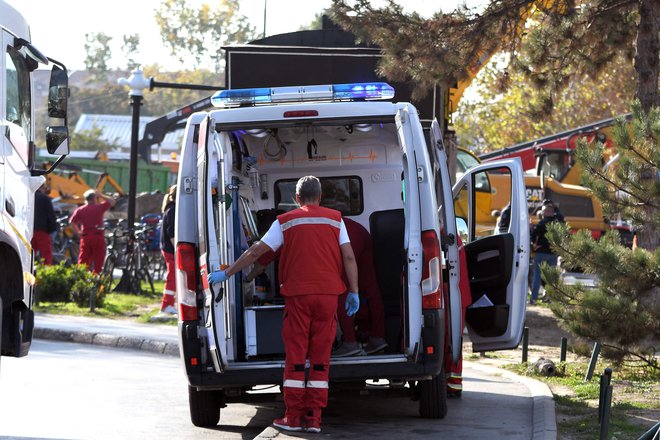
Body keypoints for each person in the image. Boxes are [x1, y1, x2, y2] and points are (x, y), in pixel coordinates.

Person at [207, 176, 359, 434]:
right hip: (328, 297)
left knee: (297, 357)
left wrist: (228, 273)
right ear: (320, 197)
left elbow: (257, 252)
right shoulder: (336, 219)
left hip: (299, 297)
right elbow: (348, 256)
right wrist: (354, 291)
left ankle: (293, 416)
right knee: (321, 357)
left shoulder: (286, 222)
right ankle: (313, 419)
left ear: (297, 198)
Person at [332, 217, 387, 357]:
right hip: (361, 232)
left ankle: (350, 342)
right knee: (371, 288)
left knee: (341, 289)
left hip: (347, 236)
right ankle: (378, 337)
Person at [69, 189, 115, 274]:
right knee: (98, 260)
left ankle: (81, 278)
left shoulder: (80, 210)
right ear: (94, 198)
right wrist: (101, 195)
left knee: (83, 260)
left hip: (85, 237)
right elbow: (112, 202)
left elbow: (72, 222)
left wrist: (78, 232)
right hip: (98, 236)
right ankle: (96, 279)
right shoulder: (99, 207)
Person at [529, 201, 564, 304]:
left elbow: (533, 235)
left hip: (541, 253)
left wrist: (532, 230)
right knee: (551, 277)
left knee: (537, 276)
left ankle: (534, 299)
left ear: (544, 212)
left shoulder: (541, 223)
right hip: (553, 253)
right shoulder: (557, 223)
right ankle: (550, 298)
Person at [154, 185, 177, 319]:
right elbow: (172, 232)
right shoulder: (173, 210)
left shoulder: (169, 208)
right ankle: (166, 304)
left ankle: (169, 303)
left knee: (172, 276)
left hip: (167, 248)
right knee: (172, 276)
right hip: (170, 249)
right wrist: (177, 249)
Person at [31, 183, 58, 264]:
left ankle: (28, 273)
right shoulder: (45, 198)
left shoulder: (28, 196)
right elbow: (51, 215)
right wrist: (53, 230)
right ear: (42, 187)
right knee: (46, 256)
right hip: (42, 231)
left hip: (29, 231)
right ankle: (45, 274)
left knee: (30, 255)